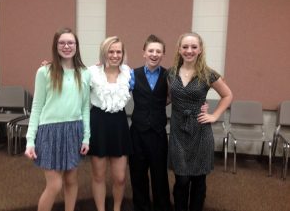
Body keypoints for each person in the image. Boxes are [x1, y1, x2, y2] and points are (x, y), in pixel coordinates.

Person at [24, 27, 90, 211]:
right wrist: (30, 140)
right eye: (62, 42)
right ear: (55, 46)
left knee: (71, 180)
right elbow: (36, 107)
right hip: (49, 131)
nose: (66, 46)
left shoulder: (84, 73)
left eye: (71, 42)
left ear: (76, 46)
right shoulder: (44, 72)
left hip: (74, 130)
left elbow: (85, 107)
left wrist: (86, 137)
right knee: (54, 185)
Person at [167, 32, 233, 211]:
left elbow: (227, 95)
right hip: (178, 130)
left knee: (198, 178)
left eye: (194, 47)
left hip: (200, 131)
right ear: (179, 49)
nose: (189, 51)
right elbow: (166, 98)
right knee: (181, 179)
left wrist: (214, 115)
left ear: (200, 49)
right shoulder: (171, 73)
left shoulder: (208, 74)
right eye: (185, 47)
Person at [88, 36, 132, 211]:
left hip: (119, 124)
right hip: (98, 123)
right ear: (104, 53)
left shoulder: (129, 73)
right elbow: (70, 73)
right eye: (110, 51)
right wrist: (49, 66)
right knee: (98, 175)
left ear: (123, 54)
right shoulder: (91, 72)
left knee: (120, 177)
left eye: (118, 51)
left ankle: (116, 208)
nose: (114, 55)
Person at [128, 34, 171, 211]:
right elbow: (110, 83)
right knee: (137, 175)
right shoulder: (132, 74)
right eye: (151, 50)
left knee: (160, 175)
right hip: (137, 132)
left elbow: (173, 97)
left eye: (158, 51)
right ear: (144, 52)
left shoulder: (169, 75)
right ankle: (141, 207)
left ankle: (162, 207)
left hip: (158, 133)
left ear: (163, 54)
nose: (154, 54)